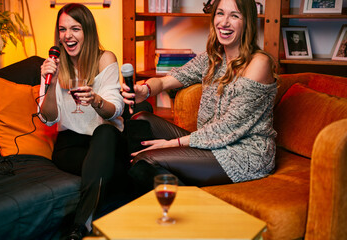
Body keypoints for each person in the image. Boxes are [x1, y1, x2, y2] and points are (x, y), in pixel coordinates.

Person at [122, 0, 278, 195]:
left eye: (235, 16)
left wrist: (170, 144)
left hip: (242, 153)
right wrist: (144, 90)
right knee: (140, 120)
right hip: (210, 144)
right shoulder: (212, 58)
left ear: (247, 22)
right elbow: (165, 82)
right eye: (220, 13)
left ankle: (187, 209)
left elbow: (227, 129)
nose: (224, 22)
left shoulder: (258, 63)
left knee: (147, 159)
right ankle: (162, 194)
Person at [39, 3, 127, 240]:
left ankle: (79, 226)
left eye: (75, 29)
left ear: (87, 31)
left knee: (105, 133)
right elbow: (48, 119)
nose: (67, 36)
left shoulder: (104, 58)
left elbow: (115, 109)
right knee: (118, 171)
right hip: (70, 146)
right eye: (62, 29)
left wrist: (96, 99)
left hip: (105, 139)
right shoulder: (53, 66)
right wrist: (52, 82)